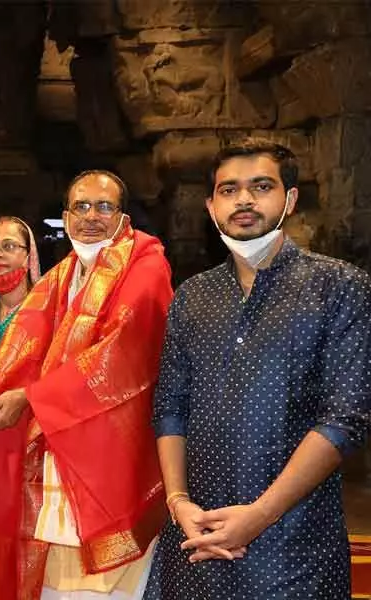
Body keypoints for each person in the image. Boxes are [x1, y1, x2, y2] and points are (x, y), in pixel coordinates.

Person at [0, 171, 173, 599]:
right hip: (53, 458)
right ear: (66, 216)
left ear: (123, 217)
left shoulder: (146, 266)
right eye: (81, 207)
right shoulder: (62, 278)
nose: (92, 217)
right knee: (51, 583)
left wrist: (32, 397)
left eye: (104, 207)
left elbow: (121, 357)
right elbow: (24, 357)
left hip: (108, 464)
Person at [145, 140, 371, 599]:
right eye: (229, 190)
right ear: (211, 207)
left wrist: (259, 515)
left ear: (288, 199)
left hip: (293, 546)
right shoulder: (193, 296)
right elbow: (170, 406)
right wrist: (178, 501)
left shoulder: (340, 287)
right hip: (195, 536)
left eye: (261, 186)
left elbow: (346, 419)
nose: (244, 200)